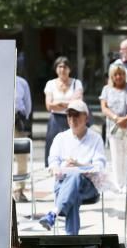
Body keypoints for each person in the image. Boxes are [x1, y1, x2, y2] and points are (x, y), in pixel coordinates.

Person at [39, 100, 106, 235]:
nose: (72, 119)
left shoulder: (96, 138)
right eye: (69, 115)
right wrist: (57, 168)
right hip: (63, 184)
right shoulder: (60, 138)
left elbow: (100, 166)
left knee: (75, 176)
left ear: (86, 117)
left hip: (88, 186)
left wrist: (79, 166)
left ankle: (54, 213)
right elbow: (52, 161)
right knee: (72, 192)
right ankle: (72, 238)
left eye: (76, 115)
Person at [99, 64, 127, 191]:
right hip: (113, 126)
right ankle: (118, 183)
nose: (118, 77)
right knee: (116, 155)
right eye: (116, 74)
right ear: (112, 76)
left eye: (121, 74)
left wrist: (125, 119)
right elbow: (104, 107)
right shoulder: (106, 89)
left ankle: (126, 183)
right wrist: (116, 118)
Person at [44, 56, 83, 167]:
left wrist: (58, 103)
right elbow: (49, 105)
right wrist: (68, 103)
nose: (62, 69)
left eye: (65, 67)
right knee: (53, 143)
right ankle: (52, 166)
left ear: (69, 69)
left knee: (73, 142)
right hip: (55, 119)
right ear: (56, 69)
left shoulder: (77, 83)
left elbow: (77, 102)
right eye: (59, 67)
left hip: (72, 118)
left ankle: (72, 164)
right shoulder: (50, 84)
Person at [13, 74, 32, 203]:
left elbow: (27, 104)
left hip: (17, 120)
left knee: (22, 158)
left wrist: (23, 121)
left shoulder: (21, 82)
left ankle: (19, 190)